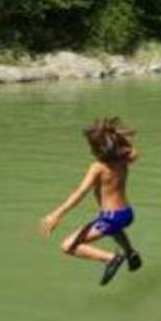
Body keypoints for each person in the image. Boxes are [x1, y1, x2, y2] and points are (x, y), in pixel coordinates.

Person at [40, 117, 143, 286]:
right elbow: (134, 151)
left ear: (97, 149)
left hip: (111, 217)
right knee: (114, 229)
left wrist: (57, 214)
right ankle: (130, 252)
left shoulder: (98, 167)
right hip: (126, 213)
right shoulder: (124, 159)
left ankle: (111, 259)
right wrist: (119, 136)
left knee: (67, 246)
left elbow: (80, 192)